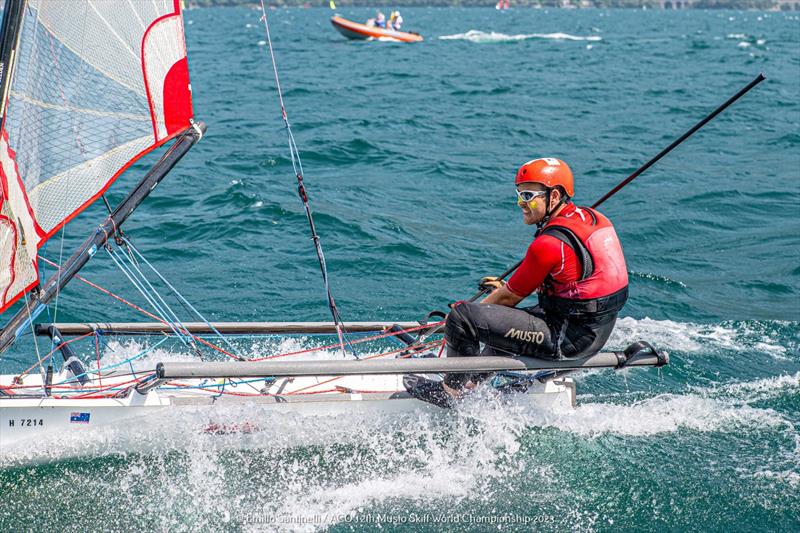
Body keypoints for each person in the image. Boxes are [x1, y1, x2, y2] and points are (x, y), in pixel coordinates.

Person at [405, 158, 629, 407]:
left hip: (568, 339)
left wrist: (458, 323)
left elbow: (509, 298)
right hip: (591, 329)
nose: (520, 203)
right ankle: (470, 384)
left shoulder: (549, 244)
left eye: (528, 195)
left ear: (554, 196)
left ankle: (450, 392)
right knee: (497, 321)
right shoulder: (592, 217)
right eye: (519, 193)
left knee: (464, 317)